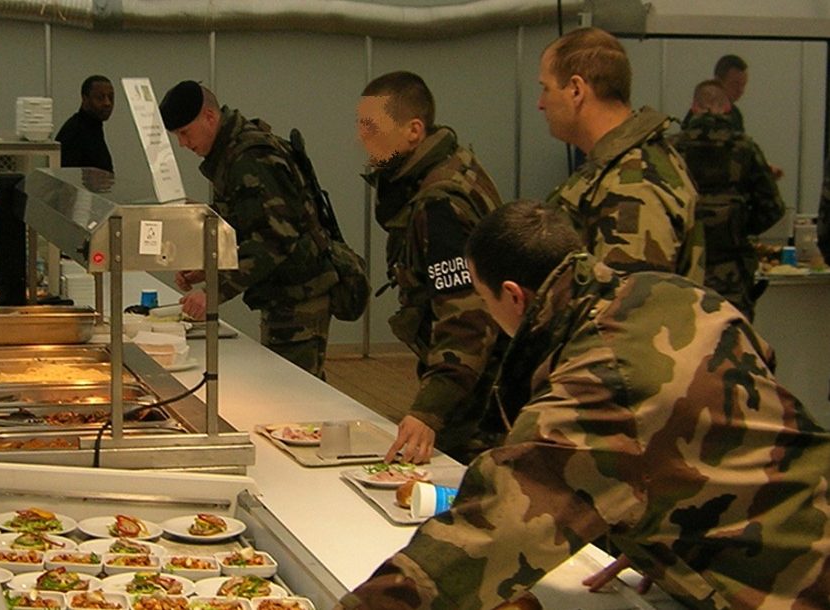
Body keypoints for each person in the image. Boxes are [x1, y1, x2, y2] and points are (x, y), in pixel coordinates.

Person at [337, 200, 830, 610]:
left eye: (484, 300)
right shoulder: (669, 292)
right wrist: (662, 519)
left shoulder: (602, 379)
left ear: (512, 296)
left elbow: (493, 529)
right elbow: (752, 396)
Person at [355, 71, 504, 465]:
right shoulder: (457, 166)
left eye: (371, 127)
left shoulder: (439, 203)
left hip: (478, 396)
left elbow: (467, 318)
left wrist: (428, 411)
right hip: (475, 382)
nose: (362, 138)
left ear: (413, 131)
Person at [158, 81, 337, 377]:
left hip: (300, 296)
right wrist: (207, 268)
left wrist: (213, 291)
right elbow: (244, 227)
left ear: (210, 117)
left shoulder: (250, 158)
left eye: (184, 133)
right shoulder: (233, 154)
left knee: (295, 393)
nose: (183, 144)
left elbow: (275, 239)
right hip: (286, 292)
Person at [539, 27, 703, 282]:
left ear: (575, 90)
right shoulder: (617, 168)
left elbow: (632, 314)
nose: (541, 103)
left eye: (546, 89)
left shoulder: (633, 186)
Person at [669, 80, 784, 320]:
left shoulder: (672, 148)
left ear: (694, 107)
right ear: (728, 108)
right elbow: (773, 207)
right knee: (735, 344)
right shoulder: (744, 147)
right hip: (732, 270)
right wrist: (740, 228)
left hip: (684, 270)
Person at [55, 75, 115, 173]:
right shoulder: (75, 131)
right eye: (100, 97)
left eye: (111, 97)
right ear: (85, 98)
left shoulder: (92, 127)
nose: (107, 103)